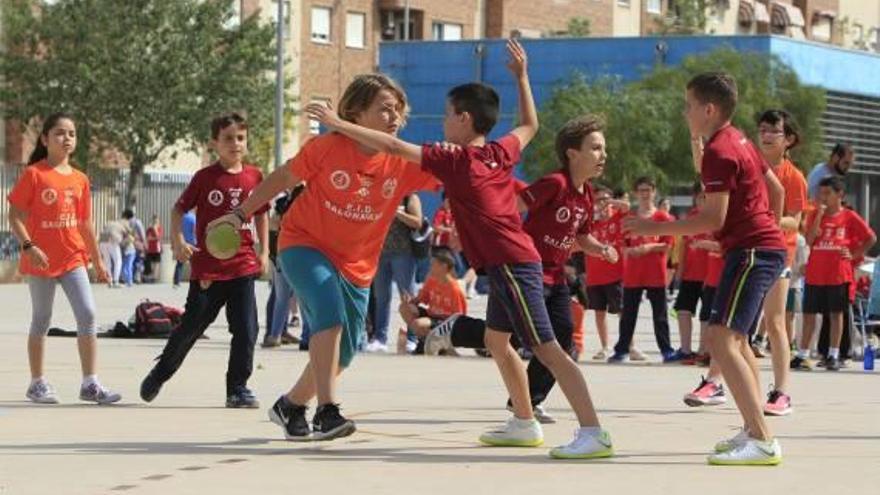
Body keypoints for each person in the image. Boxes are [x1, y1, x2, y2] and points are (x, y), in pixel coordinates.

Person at [308, 40, 616, 459]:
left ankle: (593, 431)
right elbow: (530, 124)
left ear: (464, 118)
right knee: (497, 340)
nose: (445, 121)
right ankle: (524, 423)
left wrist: (337, 122)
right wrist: (522, 77)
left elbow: (395, 147)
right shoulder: (499, 152)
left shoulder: (456, 159)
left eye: (449, 114)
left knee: (547, 348)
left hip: (512, 263)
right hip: (509, 262)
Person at [214, 74, 438, 441]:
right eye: (383, 109)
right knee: (329, 317)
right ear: (355, 113)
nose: (394, 116)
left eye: (398, 110)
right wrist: (239, 215)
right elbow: (281, 178)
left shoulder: (402, 160)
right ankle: (327, 413)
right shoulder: (328, 147)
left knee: (346, 351)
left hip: (358, 263)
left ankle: (291, 405)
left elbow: (460, 178)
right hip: (305, 244)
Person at [627, 72, 787, 465]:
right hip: (756, 248)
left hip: (752, 252)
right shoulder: (740, 140)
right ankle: (754, 430)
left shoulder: (721, 149)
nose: (685, 113)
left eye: (688, 106)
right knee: (734, 342)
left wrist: (654, 227)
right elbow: (776, 192)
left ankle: (763, 441)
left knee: (720, 338)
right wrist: (762, 230)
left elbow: (712, 217)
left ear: (708, 109)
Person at [139, 113, 270, 409]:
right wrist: (179, 241)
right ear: (214, 143)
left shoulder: (254, 176)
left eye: (240, 138)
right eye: (228, 138)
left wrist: (263, 252)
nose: (235, 143)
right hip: (208, 269)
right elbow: (177, 209)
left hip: (243, 267)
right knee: (192, 327)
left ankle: (237, 388)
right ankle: (160, 373)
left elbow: (261, 213)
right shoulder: (205, 178)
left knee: (247, 329)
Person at [8, 112, 120, 405]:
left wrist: (98, 261)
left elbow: (85, 224)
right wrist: (30, 246)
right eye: (59, 133)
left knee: (88, 314)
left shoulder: (81, 179)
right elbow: (14, 217)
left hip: (73, 258)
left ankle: (90, 383)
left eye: (71, 133)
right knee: (41, 319)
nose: (66, 138)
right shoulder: (34, 174)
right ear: (45, 139)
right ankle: (37, 383)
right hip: (41, 261)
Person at [742, 109, 807, 417]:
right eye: (762, 130)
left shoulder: (794, 177)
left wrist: (765, 221)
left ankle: (782, 392)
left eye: (773, 131)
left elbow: (795, 221)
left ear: (789, 140)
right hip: (747, 250)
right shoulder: (749, 167)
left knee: (775, 321)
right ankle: (722, 384)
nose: (766, 135)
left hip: (778, 252)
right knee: (735, 326)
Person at [793, 176, 876, 371]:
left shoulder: (849, 216)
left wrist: (854, 253)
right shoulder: (815, 215)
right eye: (821, 193)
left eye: (828, 193)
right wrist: (819, 217)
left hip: (838, 273)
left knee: (836, 314)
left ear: (840, 195)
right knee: (809, 315)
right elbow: (810, 240)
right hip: (815, 273)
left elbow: (870, 237)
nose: (823, 197)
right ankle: (803, 354)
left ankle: (834, 353)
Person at [608, 176, 676, 363]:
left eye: (648, 190)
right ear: (636, 193)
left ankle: (666, 350)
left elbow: (668, 244)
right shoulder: (629, 217)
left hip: (656, 272)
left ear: (654, 192)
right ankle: (622, 350)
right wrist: (629, 250)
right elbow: (622, 243)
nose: (645, 194)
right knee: (628, 314)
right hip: (633, 273)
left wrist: (648, 248)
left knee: (660, 315)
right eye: (641, 190)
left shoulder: (663, 217)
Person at [368, 192, 423, 353]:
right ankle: (380, 338)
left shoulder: (409, 197)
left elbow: (417, 222)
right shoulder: (380, 194)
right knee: (381, 297)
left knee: (408, 297)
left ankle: (413, 339)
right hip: (380, 252)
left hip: (403, 253)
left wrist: (397, 213)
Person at [585, 184, 628, 360]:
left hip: (616, 274)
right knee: (599, 312)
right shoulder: (590, 223)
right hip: (595, 276)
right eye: (598, 200)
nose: (601, 203)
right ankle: (604, 347)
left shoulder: (617, 218)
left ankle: (628, 345)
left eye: (605, 199)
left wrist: (610, 202)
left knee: (622, 311)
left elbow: (627, 207)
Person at [671, 181, 709, 363]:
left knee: (707, 314)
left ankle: (704, 350)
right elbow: (684, 247)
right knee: (683, 310)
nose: (705, 199)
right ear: (695, 197)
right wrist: (680, 270)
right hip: (691, 274)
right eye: (702, 195)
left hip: (711, 275)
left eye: (709, 195)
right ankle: (686, 350)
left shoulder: (718, 217)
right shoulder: (691, 218)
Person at [400, 247, 467, 350]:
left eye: (433, 265)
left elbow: (459, 318)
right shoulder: (431, 281)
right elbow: (420, 300)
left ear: (443, 266)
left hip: (445, 322)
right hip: (432, 316)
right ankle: (427, 341)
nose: (430, 268)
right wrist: (409, 301)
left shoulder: (455, 289)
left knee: (418, 323)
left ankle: (439, 343)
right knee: (405, 308)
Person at [264, 186, 305, 348]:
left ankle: (275, 334)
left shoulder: (282, 206)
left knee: (281, 298)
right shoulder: (304, 208)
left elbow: (272, 232)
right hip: (299, 254)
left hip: (281, 254)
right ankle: (307, 336)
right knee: (302, 297)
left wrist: (272, 255)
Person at [98, 219, 126, 288]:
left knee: (107, 261)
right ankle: (116, 281)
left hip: (102, 242)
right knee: (118, 261)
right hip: (112, 241)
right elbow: (126, 233)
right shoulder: (121, 225)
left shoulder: (108, 223)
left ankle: (109, 280)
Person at [122, 208, 146, 284]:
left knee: (129, 262)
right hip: (138, 243)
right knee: (138, 261)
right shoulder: (137, 222)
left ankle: (128, 278)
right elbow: (142, 232)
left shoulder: (125, 222)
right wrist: (144, 243)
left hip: (129, 243)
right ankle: (137, 278)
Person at [144, 214, 163, 283]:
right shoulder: (149, 229)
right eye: (154, 221)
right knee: (150, 264)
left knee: (156, 263)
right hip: (150, 249)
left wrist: (155, 229)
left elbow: (158, 237)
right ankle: (150, 277)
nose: (155, 222)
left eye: (156, 221)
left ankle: (154, 278)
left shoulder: (159, 228)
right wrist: (153, 238)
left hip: (157, 248)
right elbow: (148, 238)